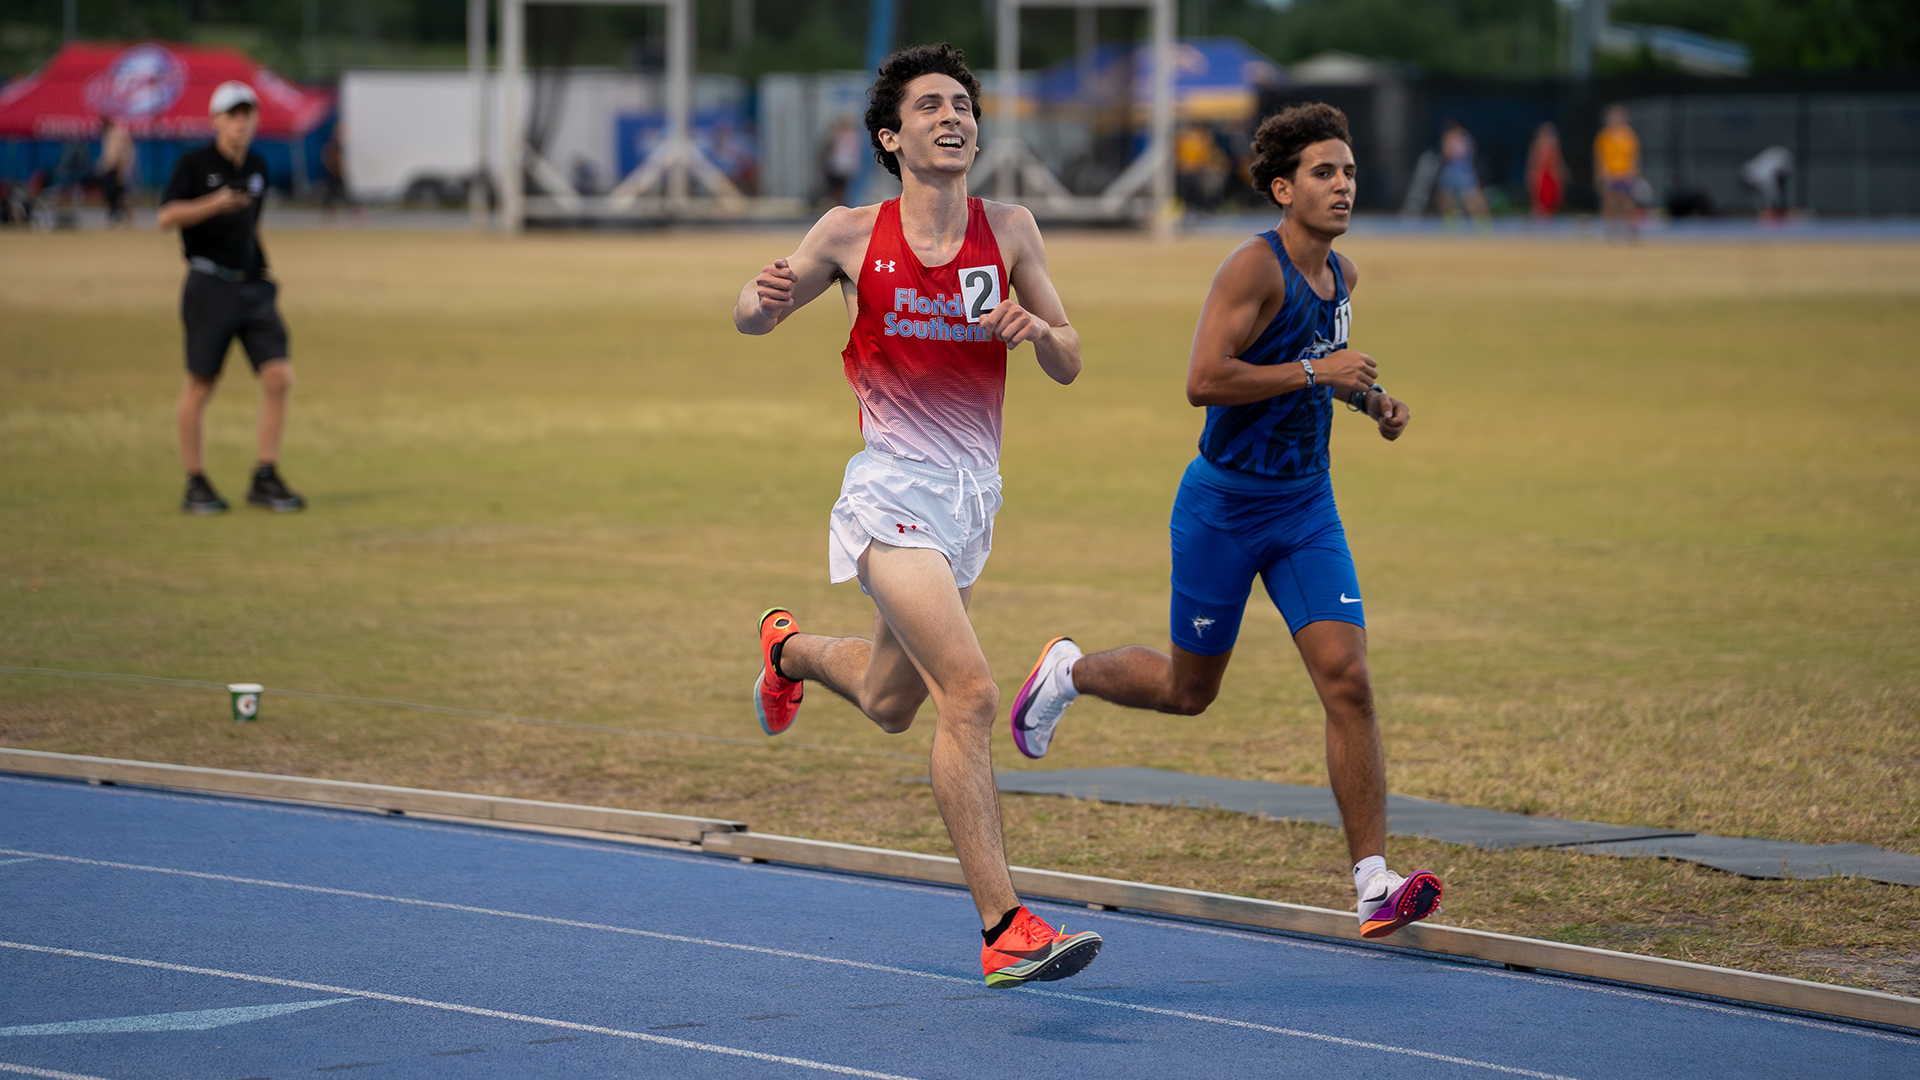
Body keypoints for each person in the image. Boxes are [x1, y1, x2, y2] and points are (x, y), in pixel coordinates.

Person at [1002, 103, 1444, 941]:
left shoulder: (1342, 278)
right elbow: (1206, 379)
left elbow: (1322, 370)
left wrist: (1372, 399)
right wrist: (1320, 370)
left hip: (1306, 506)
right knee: (1188, 692)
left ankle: (1373, 881)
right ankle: (1067, 673)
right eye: (1324, 172)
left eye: (1349, 171)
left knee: (1347, 678)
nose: (1342, 185)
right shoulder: (1253, 268)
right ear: (1283, 188)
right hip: (1225, 507)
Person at [736, 43, 1098, 989]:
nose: (954, 117)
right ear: (892, 137)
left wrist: (1038, 331)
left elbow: (1068, 357)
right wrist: (758, 296)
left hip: (972, 503)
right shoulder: (853, 233)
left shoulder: (1010, 229)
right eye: (931, 106)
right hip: (890, 494)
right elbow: (754, 313)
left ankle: (788, 651)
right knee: (970, 696)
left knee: (896, 704)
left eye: (964, 105)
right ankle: (1003, 926)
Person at [156, 81, 305, 515]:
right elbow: (167, 216)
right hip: (209, 284)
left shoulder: (258, 166)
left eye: (246, 115)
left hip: (252, 286)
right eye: (231, 115)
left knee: (278, 376)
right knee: (201, 385)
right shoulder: (195, 164)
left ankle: (265, 474)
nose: (240, 123)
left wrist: (262, 266)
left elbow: (252, 223)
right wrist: (213, 203)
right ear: (216, 120)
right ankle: (195, 481)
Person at [1594, 104, 1641, 240]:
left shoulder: (1629, 135)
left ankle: (1631, 228)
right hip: (1609, 174)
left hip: (1625, 173)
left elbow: (1634, 156)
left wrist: (1633, 173)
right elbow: (1600, 157)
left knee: (1627, 203)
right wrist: (1601, 174)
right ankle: (1611, 229)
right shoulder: (1603, 137)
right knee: (1609, 202)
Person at [1433, 119, 1489, 227]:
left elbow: (1447, 153)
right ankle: (1481, 221)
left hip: (1456, 169)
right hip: (1464, 169)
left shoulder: (1451, 136)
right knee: (1454, 196)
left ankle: (1457, 220)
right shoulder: (1467, 136)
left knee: (1463, 197)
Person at [95, 117, 136, 226]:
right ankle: (118, 216)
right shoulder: (109, 135)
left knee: (117, 193)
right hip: (114, 168)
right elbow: (108, 155)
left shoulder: (116, 134)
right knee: (116, 194)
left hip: (117, 169)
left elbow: (118, 154)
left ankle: (120, 216)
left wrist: (120, 170)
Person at [1525, 121, 1567, 223]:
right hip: (1540, 176)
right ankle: (1538, 219)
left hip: (1551, 177)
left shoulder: (1554, 147)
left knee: (1551, 200)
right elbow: (1532, 162)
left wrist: (1563, 174)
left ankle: (1548, 220)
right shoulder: (1537, 146)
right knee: (1539, 199)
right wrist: (1530, 175)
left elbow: (1558, 163)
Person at [1740, 146, 1793, 222]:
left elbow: (1773, 193)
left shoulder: (1770, 172)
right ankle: (1775, 211)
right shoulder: (1757, 173)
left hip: (1781, 160)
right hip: (1778, 161)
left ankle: (1777, 212)